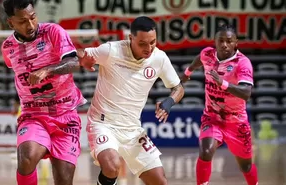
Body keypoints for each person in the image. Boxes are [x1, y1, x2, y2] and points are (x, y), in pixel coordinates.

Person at [0, 0, 95, 185]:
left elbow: (72, 61)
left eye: (33, 17)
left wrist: (47, 70)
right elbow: (18, 73)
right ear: (11, 23)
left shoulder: (53, 31)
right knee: (26, 158)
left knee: (64, 180)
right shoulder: (8, 47)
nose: (31, 25)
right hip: (33, 115)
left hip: (65, 116)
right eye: (23, 21)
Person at [80, 16, 185, 185]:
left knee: (160, 181)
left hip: (132, 129)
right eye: (143, 43)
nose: (149, 48)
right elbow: (81, 54)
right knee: (112, 165)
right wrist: (82, 59)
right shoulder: (111, 50)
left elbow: (178, 88)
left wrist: (169, 102)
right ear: (131, 38)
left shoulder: (160, 58)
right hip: (103, 123)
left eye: (153, 42)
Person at [181, 24, 258, 185]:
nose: (224, 44)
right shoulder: (207, 54)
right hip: (212, 117)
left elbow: (246, 93)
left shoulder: (242, 63)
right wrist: (188, 73)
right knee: (206, 151)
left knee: (246, 166)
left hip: (236, 122)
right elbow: (198, 60)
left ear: (236, 42)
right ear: (215, 42)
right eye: (221, 41)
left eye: (229, 41)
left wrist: (222, 83)